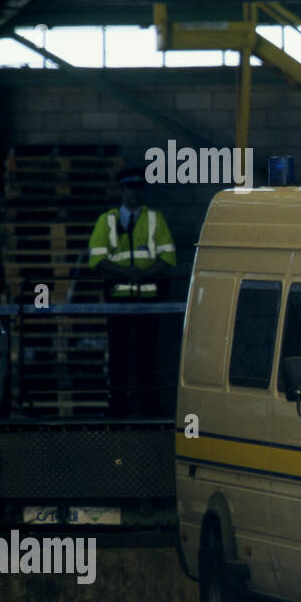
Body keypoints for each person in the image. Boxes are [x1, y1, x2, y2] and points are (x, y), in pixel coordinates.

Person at [88, 168, 176, 417]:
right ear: (122, 190)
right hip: (118, 301)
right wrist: (128, 274)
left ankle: (149, 407)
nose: (135, 193)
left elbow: (168, 257)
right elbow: (96, 258)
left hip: (148, 301)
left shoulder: (154, 219)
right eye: (130, 188)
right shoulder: (107, 220)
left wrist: (141, 275)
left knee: (147, 356)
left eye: (139, 188)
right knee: (119, 356)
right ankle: (117, 406)